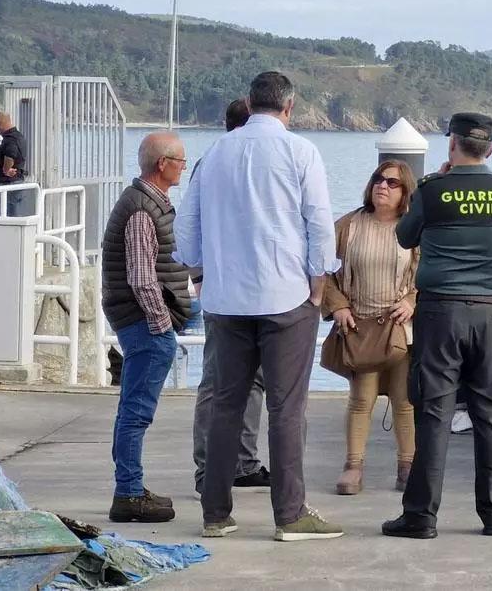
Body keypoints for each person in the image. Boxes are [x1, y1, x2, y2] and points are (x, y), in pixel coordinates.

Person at [174, 71, 344, 542]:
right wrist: (318, 285)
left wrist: (202, 274)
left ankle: (215, 512)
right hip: (286, 296)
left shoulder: (214, 154)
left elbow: (187, 227)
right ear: (289, 107)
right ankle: (290, 514)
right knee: (286, 408)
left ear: (248, 104)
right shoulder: (301, 152)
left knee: (225, 405)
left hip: (226, 300)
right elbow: (319, 223)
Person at [382, 112, 492, 540]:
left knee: (435, 413)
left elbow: (404, 236)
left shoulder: (433, 190)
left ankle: (421, 517)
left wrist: (438, 184)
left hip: (441, 313)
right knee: (489, 415)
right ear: (490, 148)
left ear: (452, 145)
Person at [101, 130, 192, 523]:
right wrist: (162, 326)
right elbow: (141, 277)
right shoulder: (141, 210)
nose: (184, 167)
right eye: (180, 161)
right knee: (136, 412)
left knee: (131, 409)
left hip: (137, 319)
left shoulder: (144, 202)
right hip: (143, 321)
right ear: (163, 164)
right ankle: (129, 493)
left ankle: (130, 487)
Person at [322, 160, 419, 495]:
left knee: (404, 400)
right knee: (361, 398)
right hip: (360, 326)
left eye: (392, 183)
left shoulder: (413, 229)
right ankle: (353, 467)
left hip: (400, 328)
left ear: (405, 191)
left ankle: (408, 467)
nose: (383, 186)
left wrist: (412, 301)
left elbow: (428, 273)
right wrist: (337, 305)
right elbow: (323, 269)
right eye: (378, 179)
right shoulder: (348, 225)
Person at [190, 97, 270, 498]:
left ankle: (239, 463)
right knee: (221, 379)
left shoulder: (211, 162)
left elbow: (189, 227)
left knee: (244, 379)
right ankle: (214, 466)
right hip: (244, 289)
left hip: (233, 287)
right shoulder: (217, 164)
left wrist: (199, 275)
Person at [0, 112, 29, 216]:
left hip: (10, 184)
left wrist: (6, 170)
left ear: (1, 124)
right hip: (15, 183)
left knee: (8, 216)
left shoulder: (10, 139)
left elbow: (10, 157)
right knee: (12, 213)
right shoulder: (19, 136)